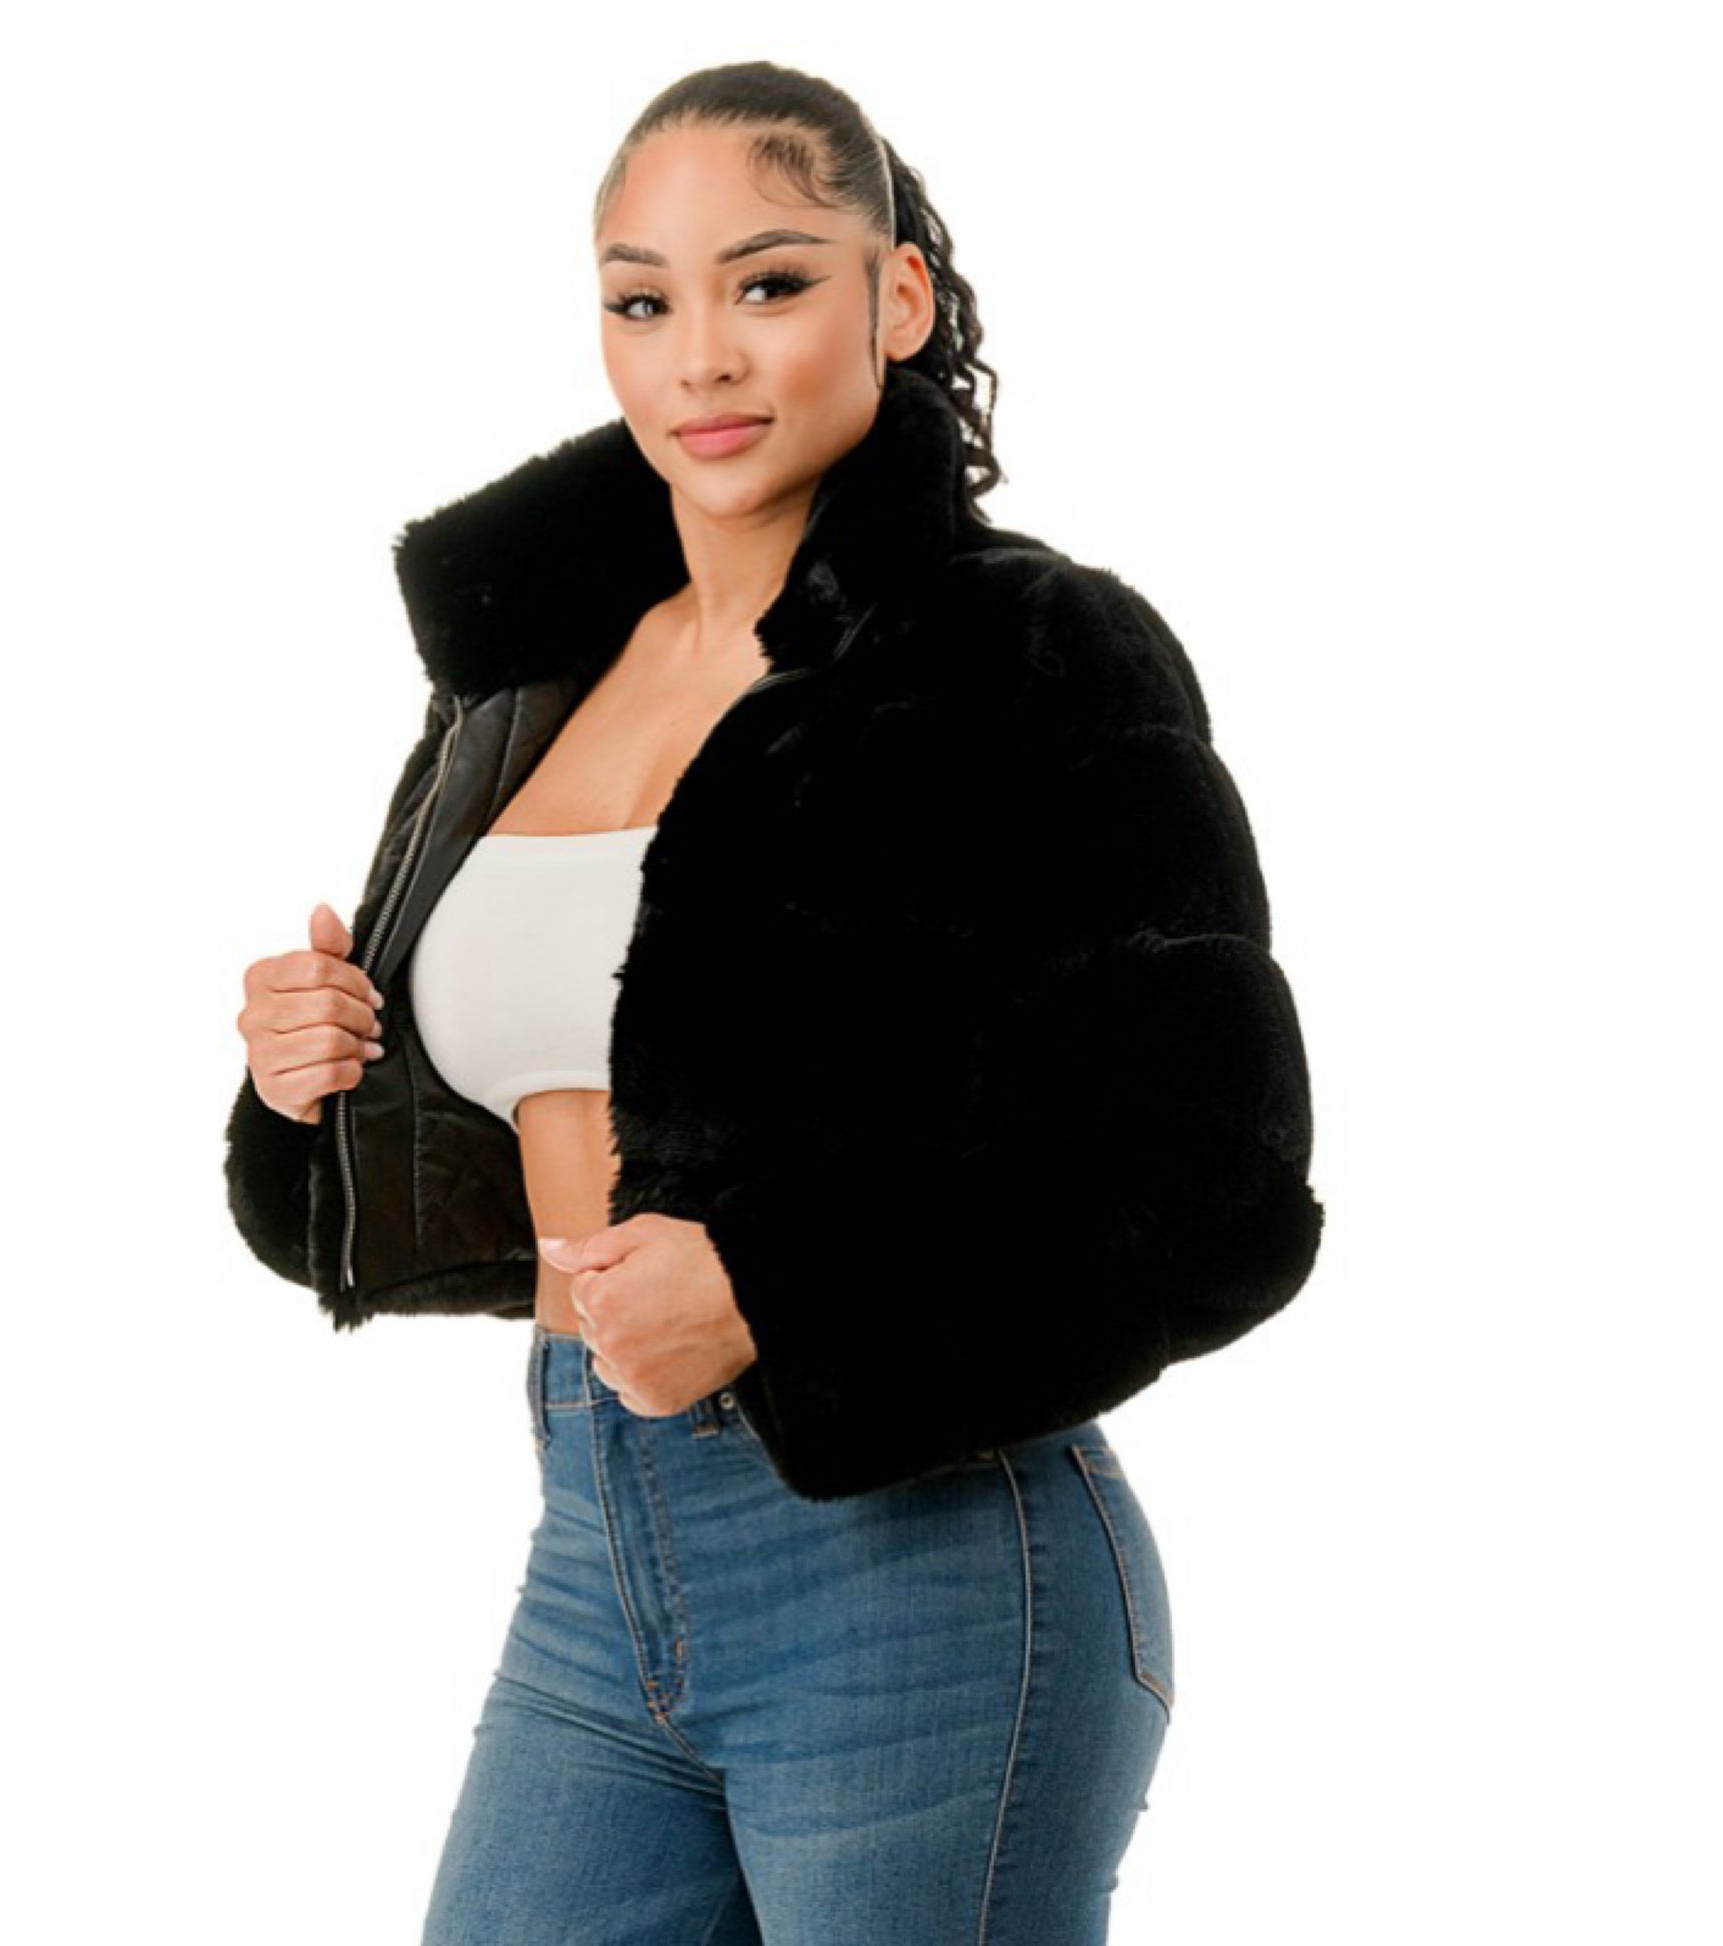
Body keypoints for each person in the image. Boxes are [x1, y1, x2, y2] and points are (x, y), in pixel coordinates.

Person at [226, 60, 1323, 1946]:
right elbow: (464, 1147)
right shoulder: (524, 689)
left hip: (921, 1568)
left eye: (770, 281)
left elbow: (1211, 1185)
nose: (702, 357)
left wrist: (783, 1291)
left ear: (893, 298)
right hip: (593, 1548)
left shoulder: (1028, 654)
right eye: (641, 299)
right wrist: (301, 1074)